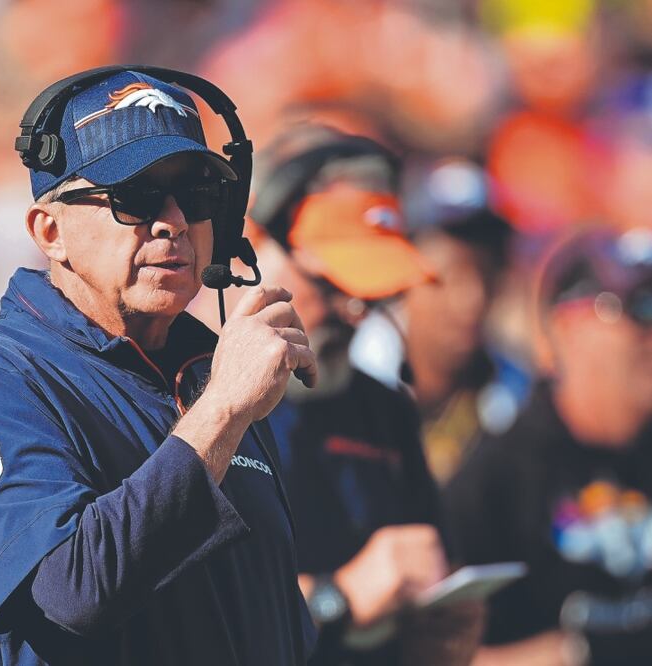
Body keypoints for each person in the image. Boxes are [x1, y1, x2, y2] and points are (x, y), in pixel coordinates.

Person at [0, 68, 319, 665]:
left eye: (195, 196)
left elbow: (268, 616)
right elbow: (72, 592)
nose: (173, 221)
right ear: (51, 231)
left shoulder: (209, 373)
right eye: (136, 197)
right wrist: (224, 408)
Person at [245, 127, 482, 665]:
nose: (357, 313)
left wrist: (443, 638)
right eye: (332, 285)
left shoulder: (386, 409)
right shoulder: (192, 405)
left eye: (374, 292)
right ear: (254, 247)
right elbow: (187, 625)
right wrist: (340, 597)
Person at [445, 227, 652, 665]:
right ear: (568, 325)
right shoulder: (496, 477)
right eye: (642, 307)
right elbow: (436, 656)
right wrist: (573, 654)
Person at [350, 158, 530, 485]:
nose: (472, 299)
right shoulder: (346, 374)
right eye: (446, 276)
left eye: (487, 273)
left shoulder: (519, 393)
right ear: (402, 272)